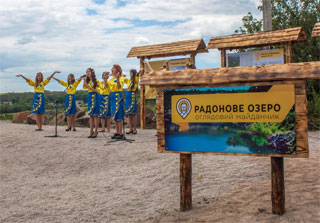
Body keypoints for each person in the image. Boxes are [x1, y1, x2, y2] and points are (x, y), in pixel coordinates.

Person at [109, 64, 127, 139]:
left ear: (117, 69)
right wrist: (105, 79)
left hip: (117, 95)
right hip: (112, 95)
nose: (112, 69)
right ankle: (117, 132)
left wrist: (118, 78)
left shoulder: (121, 78)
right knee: (115, 115)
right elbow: (107, 86)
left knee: (119, 114)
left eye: (113, 68)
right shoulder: (112, 78)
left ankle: (120, 132)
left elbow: (119, 86)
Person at [82, 68, 100, 138]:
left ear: (92, 72)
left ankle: (96, 131)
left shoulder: (97, 81)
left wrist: (89, 87)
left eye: (89, 72)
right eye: (87, 72)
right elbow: (85, 87)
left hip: (95, 97)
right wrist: (84, 80)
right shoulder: (88, 81)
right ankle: (91, 131)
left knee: (95, 115)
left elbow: (97, 91)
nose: (87, 73)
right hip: (90, 97)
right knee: (91, 115)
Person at [124, 69, 139, 134]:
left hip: (132, 96)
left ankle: (135, 129)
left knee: (133, 113)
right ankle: (130, 129)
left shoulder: (135, 80)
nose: (130, 74)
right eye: (130, 73)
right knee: (129, 114)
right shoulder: (128, 80)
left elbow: (138, 76)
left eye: (131, 73)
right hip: (127, 96)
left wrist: (137, 73)